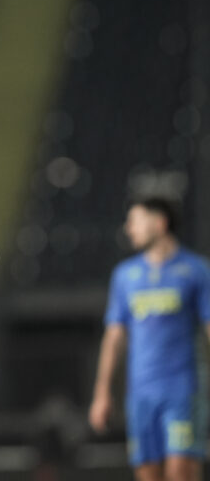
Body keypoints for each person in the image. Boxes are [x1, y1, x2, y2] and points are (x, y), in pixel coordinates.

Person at [89, 197, 210, 481]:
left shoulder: (196, 270)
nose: (129, 229)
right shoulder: (125, 276)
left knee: (182, 472)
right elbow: (114, 337)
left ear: (159, 223)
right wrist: (102, 392)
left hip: (183, 391)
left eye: (135, 221)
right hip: (141, 395)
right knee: (147, 475)